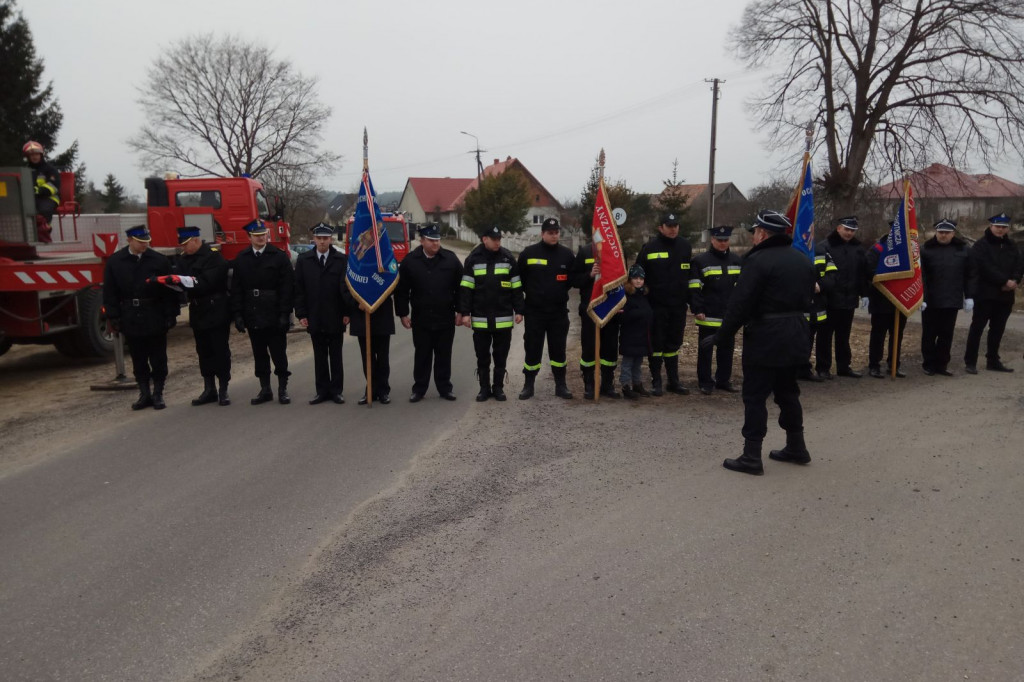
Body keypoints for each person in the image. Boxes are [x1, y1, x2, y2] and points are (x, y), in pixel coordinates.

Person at [709, 210, 817, 476]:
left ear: (762, 233)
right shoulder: (802, 260)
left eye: (754, 232)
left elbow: (740, 304)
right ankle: (796, 446)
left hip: (767, 335)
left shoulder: (757, 261)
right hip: (797, 333)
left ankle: (751, 455)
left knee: (755, 395)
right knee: (788, 391)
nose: (753, 236)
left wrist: (722, 336)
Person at [102, 225, 180, 410]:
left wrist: (171, 314)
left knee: (158, 357)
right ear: (129, 240)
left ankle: (158, 393)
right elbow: (110, 292)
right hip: (131, 315)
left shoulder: (158, 261)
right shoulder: (116, 262)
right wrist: (114, 316)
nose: (145, 245)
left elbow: (170, 290)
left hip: (154, 313)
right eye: (140, 242)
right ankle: (144, 393)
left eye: (147, 242)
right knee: (138, 358)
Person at [394, 224, 463, 402]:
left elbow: (461, 288)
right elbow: (402, 291)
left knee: (444, 354)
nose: (436, 244)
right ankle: (419, 389)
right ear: (422, 240)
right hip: (421, 318)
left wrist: (461, 311)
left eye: (438, 240)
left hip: (445, 317)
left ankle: (445, 388)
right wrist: (403, 314)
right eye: (431, 240)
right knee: (422, 354)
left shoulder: (450, 259)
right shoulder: (410, 261)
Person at [230, 219, 294, 405]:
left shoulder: (279, 257)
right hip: (253, 312)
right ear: (249, 237)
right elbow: (237, 289)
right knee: (259, 353)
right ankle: (265, 389)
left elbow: (287, 287)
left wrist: (285, 314)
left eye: (263, 235)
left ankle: (283, 388)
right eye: (256, 236)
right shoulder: (242, 259)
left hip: (274, 312)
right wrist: (238, 315)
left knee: (278, 353)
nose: (261, 238)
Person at [458, 226, 524, 402]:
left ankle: (498, 388)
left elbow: (517, 287)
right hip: (480, 318)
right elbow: (466, 289)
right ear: (484, 239)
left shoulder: (508, 258)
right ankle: (484, 389)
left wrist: (519, 310)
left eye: (499, 239)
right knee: (482, 356)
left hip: (503, 318)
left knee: (500, 355)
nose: (497, 242)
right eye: (494, 239)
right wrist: (465, 313)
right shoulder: (473, 259)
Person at [517, 217, 576, 400]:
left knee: (558, 350)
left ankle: (561, 385)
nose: (554, 235)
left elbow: (571, 281)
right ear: (542, 233)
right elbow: (520, 282)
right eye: (550, 233)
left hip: (558, 312)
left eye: (556, 232)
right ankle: (528, 385)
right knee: (532, 348)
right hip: (535, 312)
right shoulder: (528, 253)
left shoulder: (566, 255)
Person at [634, 213, 692, 395]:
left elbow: (688, 276)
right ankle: (656, 381)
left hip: (678, 306)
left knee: (674, 344)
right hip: (656, 306)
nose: (673, 228)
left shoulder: (685, 246)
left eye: (676, 225)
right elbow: (638, 274)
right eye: (669, 225)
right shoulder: (649, 248)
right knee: (657, 345)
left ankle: (673, 382)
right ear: (661, 228)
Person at [174, 225, 232, 406]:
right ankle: (209, 388)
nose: (183, 248)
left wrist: (186, 281)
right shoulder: (184, 260)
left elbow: (206, 283)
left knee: (219, 350)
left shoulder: (214, 257)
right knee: (203, 351)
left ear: (196, 240)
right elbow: (181, 281)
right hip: (198, 311)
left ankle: (223, 389)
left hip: (216, 309)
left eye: (186, 244)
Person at [294, 223, 350, 404]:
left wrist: (347, 312)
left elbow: (346, 289)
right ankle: (321, 391)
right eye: (319, 238)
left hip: (335, 315)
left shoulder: (341, 260)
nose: (322, 241)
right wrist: (301, 314)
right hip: (314, 315)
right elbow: (299, 289)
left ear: (331, 239)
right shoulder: (304, 260)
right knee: (319, 356)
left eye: (326, 238)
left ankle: (336, 391)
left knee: (336, 356)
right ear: (314, 239)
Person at [963, 212, 1023, 374]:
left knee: (998, 329)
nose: (1000, 230)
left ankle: (993, 360)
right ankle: (970, 361)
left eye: (1004, 227)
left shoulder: (1011, 245)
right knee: (977, 328)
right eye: (997, 227)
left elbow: (1019, 264)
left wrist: (1015, 280)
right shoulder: (981, 245)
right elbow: (984, 267)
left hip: (1005, 296)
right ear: (991, 226)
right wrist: (1004, 281)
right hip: (985, 294)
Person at [689, 225, 743, 394]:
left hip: (728, 315)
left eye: (725, 240)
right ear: (712, 240)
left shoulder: (737, 260)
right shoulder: (700, 261)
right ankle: (705, 381)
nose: (722, 243)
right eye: (719, 240)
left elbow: (741, 287)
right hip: (708, 314)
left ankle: (723, 380)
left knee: (726, 350)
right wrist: (698, 308)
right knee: (705, 350)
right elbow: (694, 288)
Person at [815, 216, 868, 378]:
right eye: (847, 229)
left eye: (852, 230)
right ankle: (823, 368)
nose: (849, 233)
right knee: (825, 335)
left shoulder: (858, 248)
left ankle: (844, 366)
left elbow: (862, 273)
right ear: (838, 228)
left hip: (849, 298)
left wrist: (865, 293)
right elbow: (819, 272)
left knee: (844, 336)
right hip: (829, 299)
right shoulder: (824, 247)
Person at [920, 219, 973, 376]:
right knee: (929, 334)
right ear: (936, 232)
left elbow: (969, 274)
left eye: (947, 233)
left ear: (953, 233)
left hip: (952, 298)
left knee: (946, 334)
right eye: (940, 232)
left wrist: (969, 296)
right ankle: (928, 364)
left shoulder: (963, 249)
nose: (943, 235)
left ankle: (942, 364)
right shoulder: (925, 249)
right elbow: (921, 276)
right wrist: (921, 296)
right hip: (930, 300)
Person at [571, 241, 621, 400]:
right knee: (590, 347)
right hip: (590, 308)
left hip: (611, 308)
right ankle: (589, 383)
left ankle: (607, 383)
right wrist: (589, 275)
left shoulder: (616, 251)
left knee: (610, 347)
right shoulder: (585, 251)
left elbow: (623, 277)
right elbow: (574, 280)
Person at [865, 225, 907, 378]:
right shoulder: (877, 249)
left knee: (897, 335)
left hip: (900, 300)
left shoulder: (908, 251)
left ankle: (894, 364)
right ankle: (874, 365)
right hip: (881, 300)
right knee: (878, 335)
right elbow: (869, 270)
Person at [349, 289, 395, 405]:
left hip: (382, 314)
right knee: (367, 358)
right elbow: (345, 286)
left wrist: (376, 298)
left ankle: (383, 390)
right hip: (362, 314)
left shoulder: (386, 269)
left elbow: (393, 282)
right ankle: (371, 390)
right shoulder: (353, 269)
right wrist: (357, 301)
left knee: (382, 357)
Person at [618, 264, 654, 399]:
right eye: (635, 278)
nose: (638, 281)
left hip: (643, 335)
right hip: (630, 335)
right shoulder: (626, 295)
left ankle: (637, 383)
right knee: (628, 362)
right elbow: (623, 316)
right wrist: (640, 313)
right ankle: (625, 385)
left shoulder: (644, 295)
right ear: (630, 279)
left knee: (638, 362)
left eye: (641, 278)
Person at [22, 141, 59, 243]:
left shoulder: (50, 169)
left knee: (44, 211)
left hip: (49, 198)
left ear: (41, 155)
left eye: (36, 154)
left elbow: (54, 186)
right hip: (30, 198)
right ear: (27, 157)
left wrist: (38, 190)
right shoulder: (24, 170)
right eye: (31, 155)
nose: (34, 157)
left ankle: (45, 230)